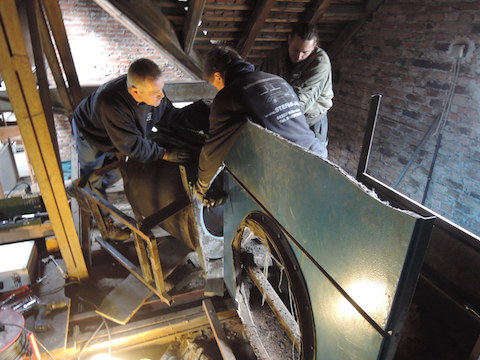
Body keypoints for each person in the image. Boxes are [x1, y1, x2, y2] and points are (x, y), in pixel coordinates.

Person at [71, 58, 190, 240]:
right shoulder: (111, 104)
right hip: (90, 132)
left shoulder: (151, 91)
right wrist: (164, 154)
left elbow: (167, 114)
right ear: (135, 91)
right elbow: (133, 146)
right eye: (156, 93)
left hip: (120, 132)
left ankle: (86, 188)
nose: (162, 96)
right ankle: (106, 224)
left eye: (161, 90)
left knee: (117, 172)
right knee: (94, 177)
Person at [193, 45, 323, 203]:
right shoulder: (276, 79)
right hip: (318, 156)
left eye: (215, 84)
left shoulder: (229, 95)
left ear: (218, 77)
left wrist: (201, 187)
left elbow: (213, 149)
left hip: (291, 170)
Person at [260, 23, 333, 159]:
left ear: (315, 46)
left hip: (310, 121)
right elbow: (261, 83)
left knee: (313, 162)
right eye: (295, 49)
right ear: (289, 40)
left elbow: (303, 100)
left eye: (305, 52)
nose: (299, 56)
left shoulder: (320, 63)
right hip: (280, 117)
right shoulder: (275, 57)